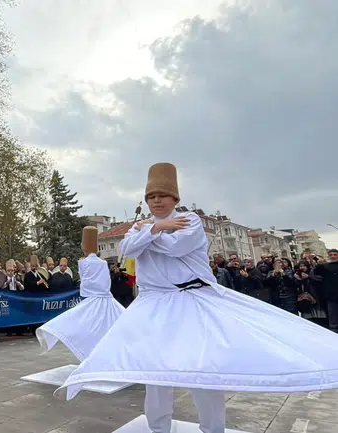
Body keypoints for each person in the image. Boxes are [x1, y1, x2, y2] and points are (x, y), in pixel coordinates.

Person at [56, 163, 338, 433]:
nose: (156, 201)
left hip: (192, 300)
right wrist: (156, 228)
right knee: (154, 371)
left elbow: (178, 248)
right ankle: (158, 428)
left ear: (174, 197)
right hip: (153, 304)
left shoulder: (189, 220)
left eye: (162, 196)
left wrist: (151, 234)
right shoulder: (142, 226)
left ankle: (213, 429)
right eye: (151, 196)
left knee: (204, 368)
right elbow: (128, 249)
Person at [35, 226, 124, 361]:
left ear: (85, 245)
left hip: (93, 300)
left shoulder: (85, 263)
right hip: (106, 300)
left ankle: (95, 356)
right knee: (106, 327)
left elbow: (86, 286)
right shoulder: (102, 263)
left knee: (90, 327)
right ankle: (101, 356)